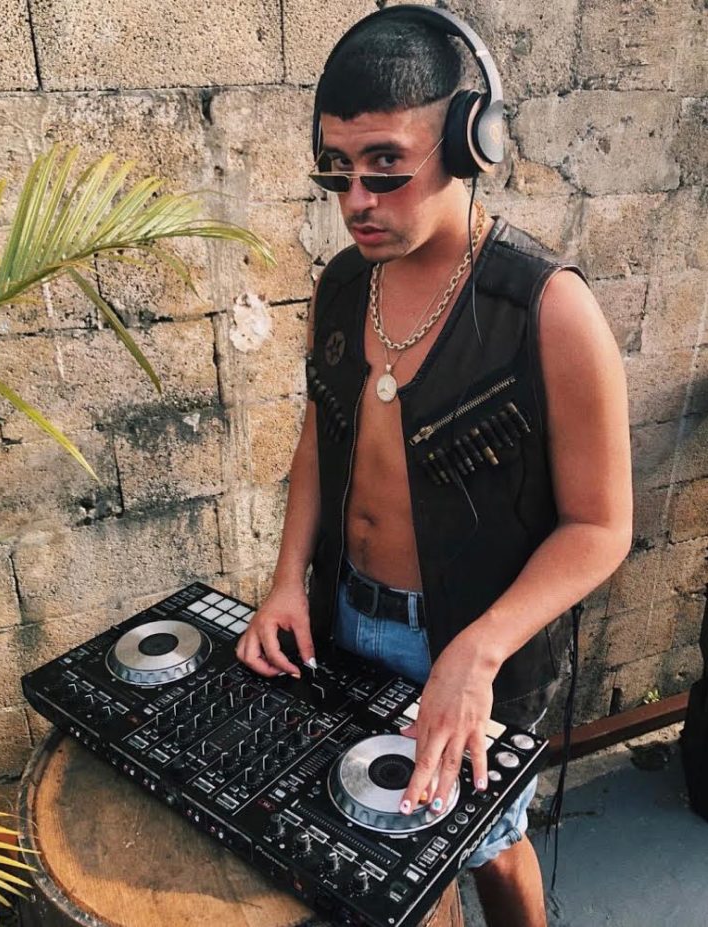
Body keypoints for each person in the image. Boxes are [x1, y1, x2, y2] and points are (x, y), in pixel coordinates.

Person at [236, 7, 632, 926]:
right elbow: (320, 435)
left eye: (386, 166)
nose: (357, 201)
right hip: (341, 616)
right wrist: (287, 579)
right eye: (337, 171)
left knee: (490, 841)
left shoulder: (549, 310)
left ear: (468, 144)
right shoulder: (343, 284)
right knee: (376, 843)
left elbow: (602, 525)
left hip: (469, 637)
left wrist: (476, 651)